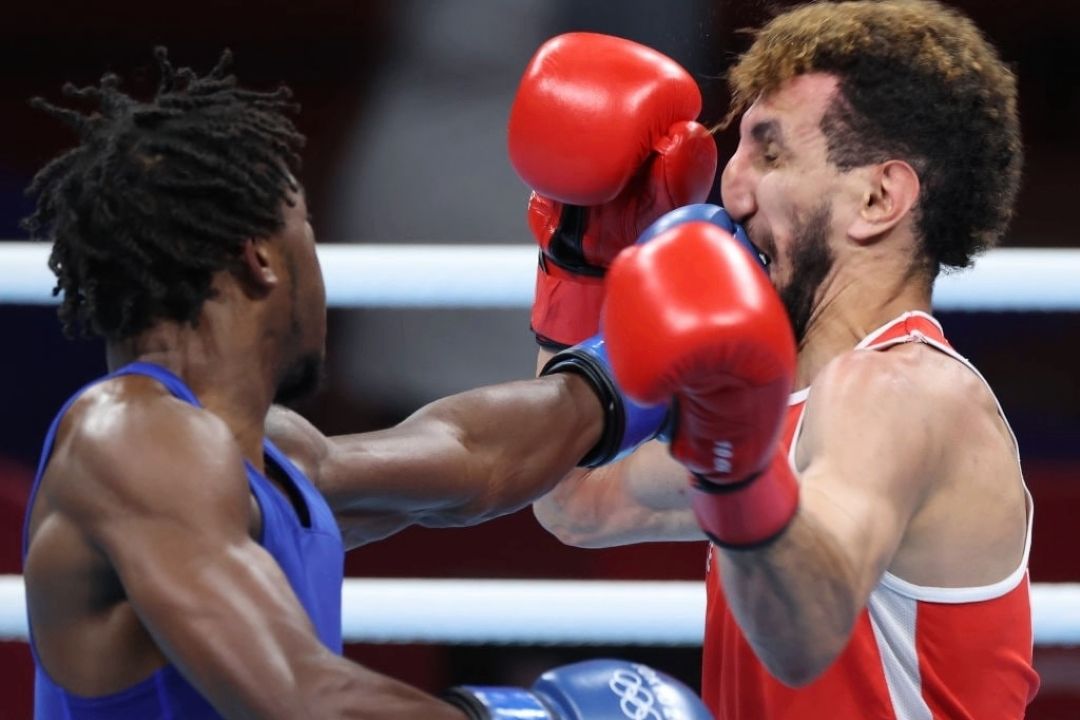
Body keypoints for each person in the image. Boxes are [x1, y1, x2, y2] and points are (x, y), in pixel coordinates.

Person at [18, 48, 716, 719]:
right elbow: (305, 698)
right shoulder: (129, 436)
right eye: (305, 229)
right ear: (260, 259)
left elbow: (472, 458)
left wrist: (601, 286)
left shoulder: (266, 455)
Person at [527, 1, 1040, 717]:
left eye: (771, 155)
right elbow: (577, 503)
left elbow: (803, 633)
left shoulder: (904, 390)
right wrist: (582, 260)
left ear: (877, 197)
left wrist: (731, 466)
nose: (731, 191)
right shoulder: (782, 407)